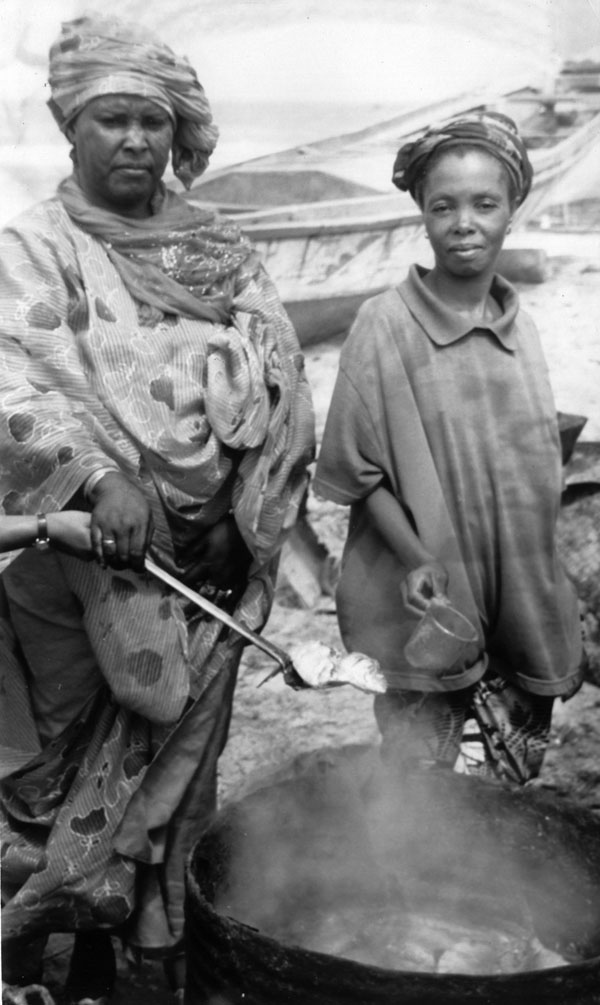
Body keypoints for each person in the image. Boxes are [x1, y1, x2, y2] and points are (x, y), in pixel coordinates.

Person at [0, 13, 314, 1004]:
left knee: (179, 765)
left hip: (211, 562)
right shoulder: (33, 246)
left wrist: (242, 514)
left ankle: (132, 942)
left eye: (154, 120)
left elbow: (284, 381)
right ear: (71, 127)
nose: (136, 139)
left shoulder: (219, 250)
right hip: (76, 556)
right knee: (57, 756)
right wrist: (102, 477)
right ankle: (31, 945)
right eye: (113, 118)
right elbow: (16, 385)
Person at [314, 110, 583, 785]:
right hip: (426, 599)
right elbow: (358, 469)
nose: (465, 222)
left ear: (512, 213)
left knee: (505, 788)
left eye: (485, 204)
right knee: (425, 789)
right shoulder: (385, 324)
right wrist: (416, 556)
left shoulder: (521, 330)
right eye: (445, 206)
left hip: (519, 591)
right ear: (424, 216)